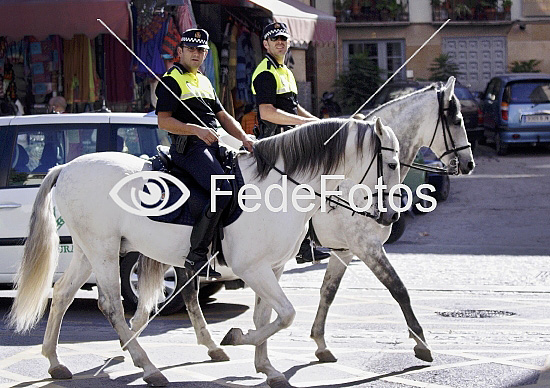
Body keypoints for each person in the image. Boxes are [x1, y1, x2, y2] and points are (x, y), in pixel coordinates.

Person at [156, 28, 254, 278]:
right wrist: (195, 130)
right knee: (222, 191)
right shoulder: (171, 80)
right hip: (188, 149)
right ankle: (197, 256)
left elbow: (222, 116)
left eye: (201, 50)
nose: (197, 54)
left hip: (212, 145)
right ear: (180, 52)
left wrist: (243, 137)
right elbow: (163, 122)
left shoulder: (204, 80)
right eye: (191, 49)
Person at [251, 22, 330, 264]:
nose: (280, 43)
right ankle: (301, 247)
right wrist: (304, 124)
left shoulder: (284, 70)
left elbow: (292, 107)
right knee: (297, 191)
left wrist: (316, 121)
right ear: (265, 44)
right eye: (275, 39)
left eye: (283, 39)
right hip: (274, 142)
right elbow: (267, 113)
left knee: (311, 186)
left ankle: (307, 245)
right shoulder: (265, 72)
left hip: (290, 140)